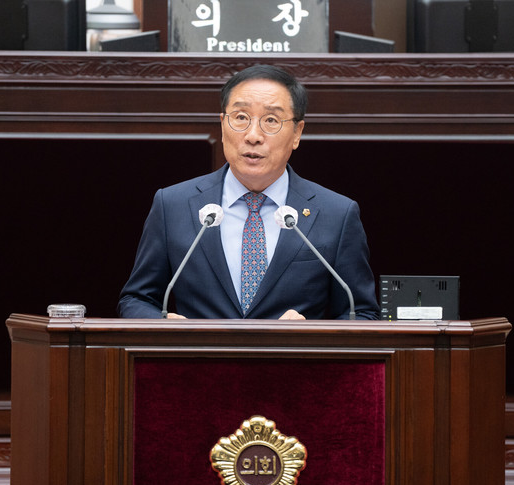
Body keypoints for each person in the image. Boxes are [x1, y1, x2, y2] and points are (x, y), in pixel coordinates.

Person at [118, 64, 379, 320]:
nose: (253, 136)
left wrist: (310, 336)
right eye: (241, 118)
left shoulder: (337, 214)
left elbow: (362, 313)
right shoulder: (172, 204)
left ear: (297, 133)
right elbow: (136, 299)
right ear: (223, 125)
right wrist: (167, 328)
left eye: (271, 120)